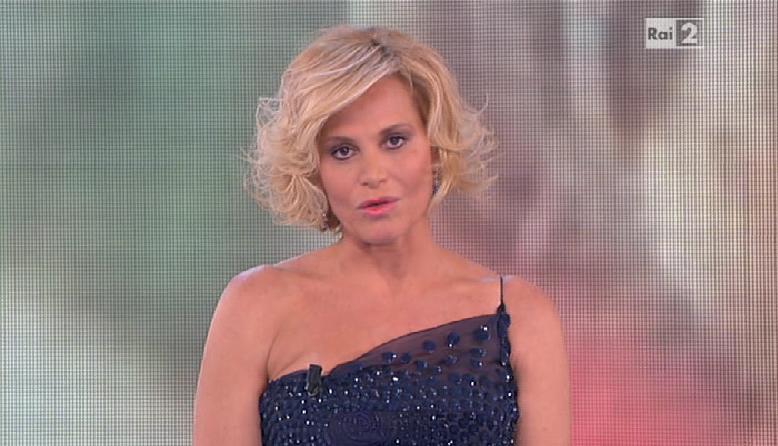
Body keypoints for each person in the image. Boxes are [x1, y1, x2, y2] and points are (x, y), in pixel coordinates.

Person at [193, 25, 570, 445]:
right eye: (343, 151)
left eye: (394, 141)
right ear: (314, 168)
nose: (373, 174)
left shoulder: (518, 315)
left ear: (435, 147)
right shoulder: (256, 306)